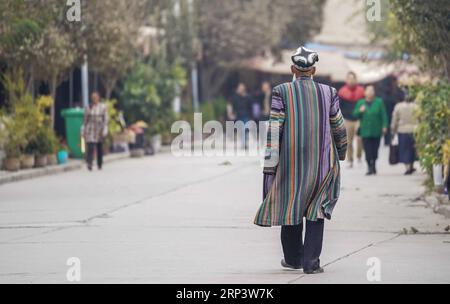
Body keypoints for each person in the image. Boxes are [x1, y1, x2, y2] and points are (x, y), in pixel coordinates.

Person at [254, 46, 347, 274]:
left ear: (293, 69)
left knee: (291, 204)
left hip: (290, 162)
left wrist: (270, 166)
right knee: (316, 209)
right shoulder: (329, 92)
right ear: (313, 69)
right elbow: (339, 126)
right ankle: (311, 263)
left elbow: (274, 130)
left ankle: (293, 259)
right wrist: (341, 152)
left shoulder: (281, 91)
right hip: (322, 162)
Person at [353, 85, 388, 176]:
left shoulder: (379, 102)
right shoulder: (361, 102)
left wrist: (384, 126)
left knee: (375, 149)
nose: (370, 92)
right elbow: (355, 114)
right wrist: (360, 111)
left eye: (372, 90)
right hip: (365, 131)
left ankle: (374, 164)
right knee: (367, 149)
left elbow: (383, 115)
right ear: (365, 92)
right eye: (368, 90)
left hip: (376, 129)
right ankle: (369, 166)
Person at [338, 72, 365, 168]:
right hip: (348, 119)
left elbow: (365, 103)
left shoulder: (361, 91)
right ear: (346, 80)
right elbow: (339, 106)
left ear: (356, 80)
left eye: (353, 78)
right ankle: (350, 159)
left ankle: (359, 157)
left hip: (358, 119)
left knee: (359, 138)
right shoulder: (342, 91)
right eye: (349, 78)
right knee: (348, 141)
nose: (351, 80)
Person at [391, 91, 418, 175]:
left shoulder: (398, 107)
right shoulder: (416, 107)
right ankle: (411, 165)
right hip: (414, 130)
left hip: (402, 130)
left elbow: (394, 120)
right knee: (412, 149)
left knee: (404, 149)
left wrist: (393, 130)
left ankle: (407, 167)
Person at [82, 92, 109, 171]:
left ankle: (99, 163)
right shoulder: (88, 107)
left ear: (98, 98)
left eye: (96, 97)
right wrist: (83, 130)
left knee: (99, 147)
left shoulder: (102, 107)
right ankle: (89, 163)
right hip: (90, 129)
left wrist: (105, 129)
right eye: (93, 98)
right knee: (90, 147)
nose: (94, 99)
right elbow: (85, 120)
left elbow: (106, 119)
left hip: (99, 129)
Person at [381, 76, 405, 146]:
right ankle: (389, 140)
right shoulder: (387, 88)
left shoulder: (398, 90)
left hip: (394, 109)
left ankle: (391, 139)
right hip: (388, 109)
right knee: (390, 124)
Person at [230, 83, 252, 147]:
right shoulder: (235, 97)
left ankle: (244, 143)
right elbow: (232, 104)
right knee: (241, 130)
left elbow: (250, 106)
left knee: (245, 129)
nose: (241, 89)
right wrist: (231, 114)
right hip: (238, 115)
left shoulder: (248, 97)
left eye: (242, 88)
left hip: (246, 115)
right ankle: (244, 143)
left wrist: (251, 116)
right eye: (239, 88)